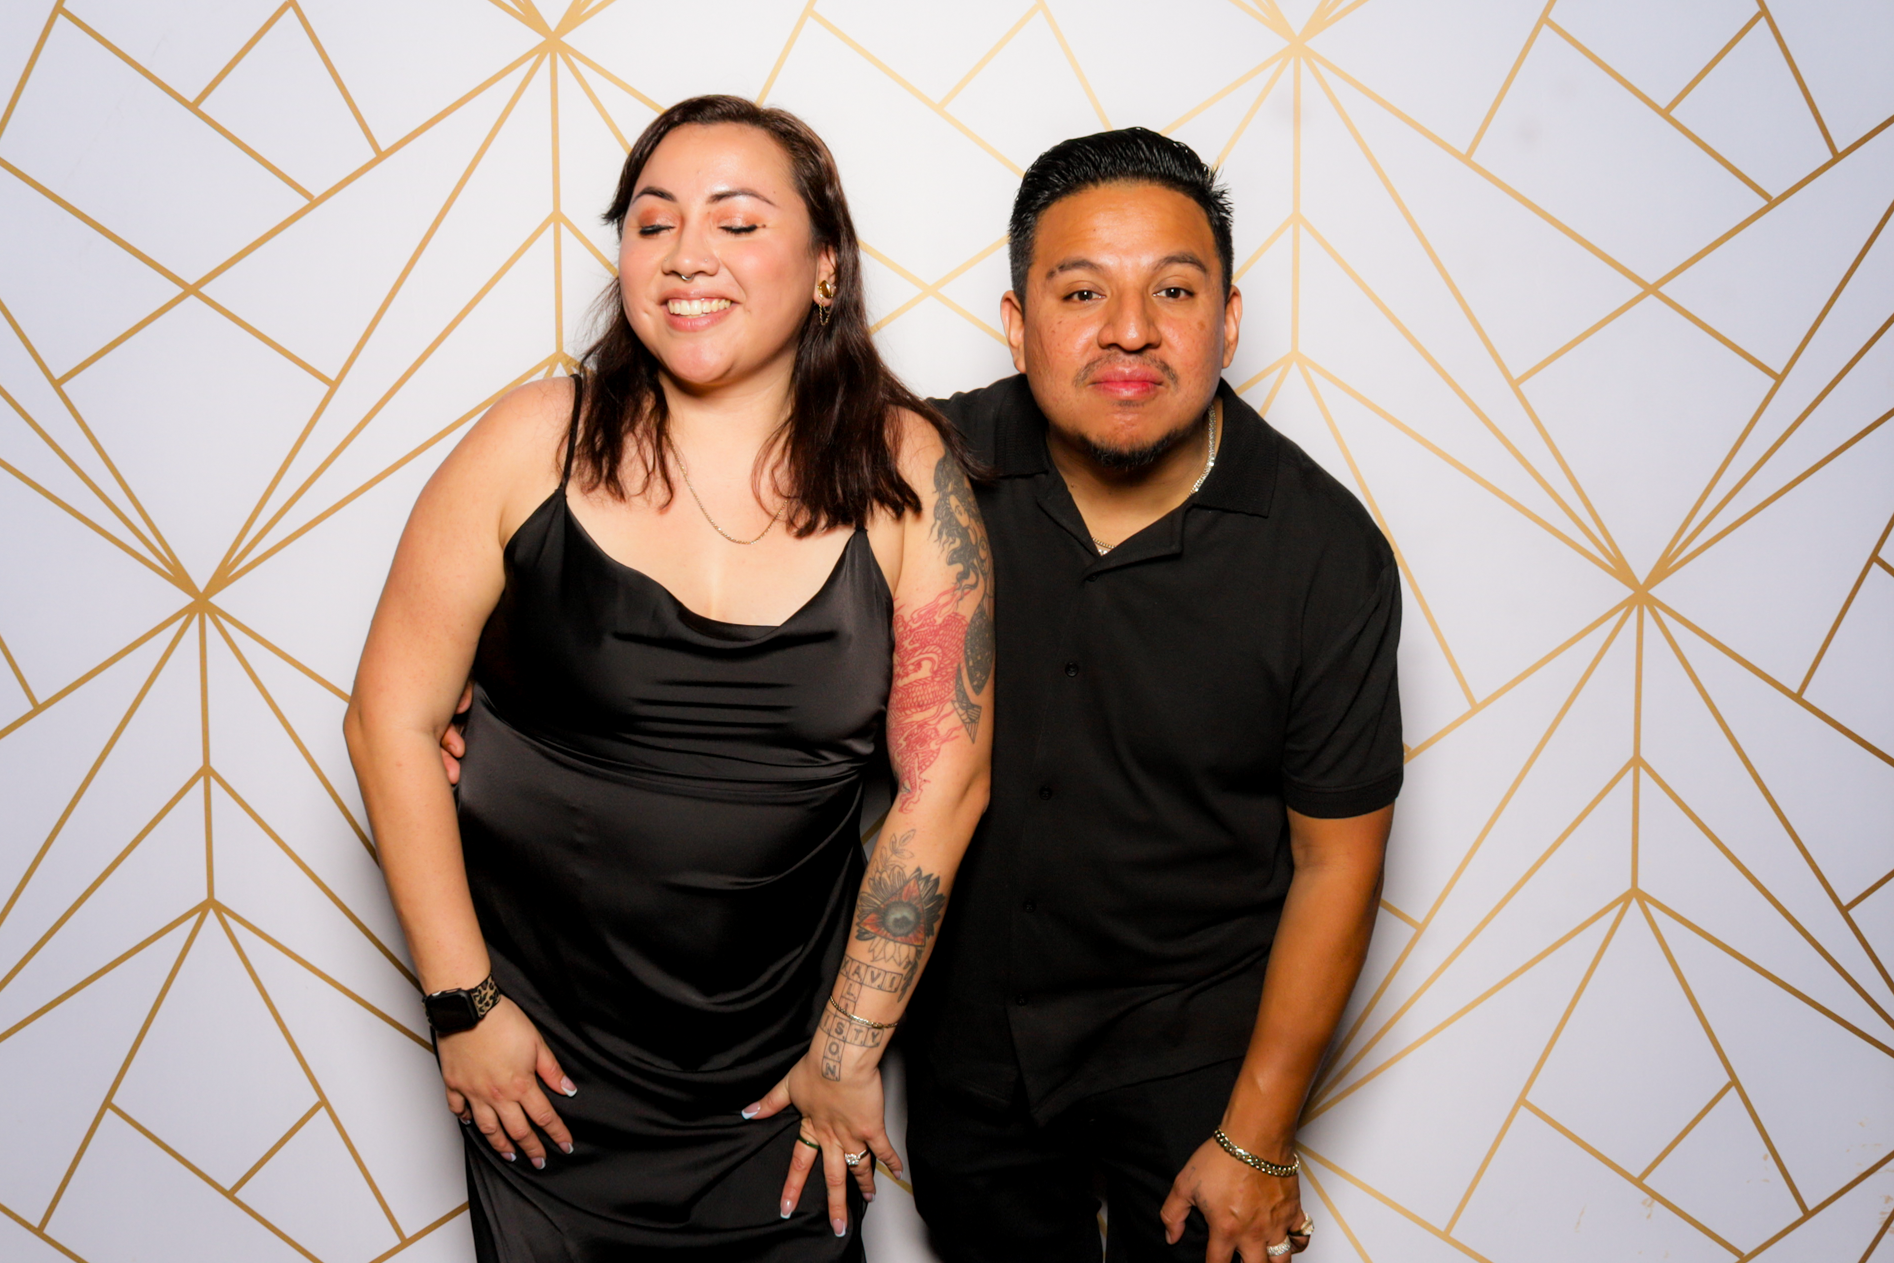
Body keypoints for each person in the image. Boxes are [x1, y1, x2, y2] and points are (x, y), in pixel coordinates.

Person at [344, 95, 992, 1262]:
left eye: (737, 223)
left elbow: (945, 784)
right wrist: (462, 1007)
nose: (688, 255)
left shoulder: (906, 471)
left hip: (783, 1076)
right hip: (543, 1069)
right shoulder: (529, 441)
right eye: (653, 224)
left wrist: (847, 1054)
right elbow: (389, 720)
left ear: (827, 267)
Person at [900, 129, 1401, 1263]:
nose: (1129, 329)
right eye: (1081, 291)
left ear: (1228, 320)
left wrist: (1258, 1137)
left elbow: (1338, 861)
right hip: (970, 1049)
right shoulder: (922, 467)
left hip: (1200, 1061)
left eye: (1173, 290)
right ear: (1017, 321)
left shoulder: (1324, 551)